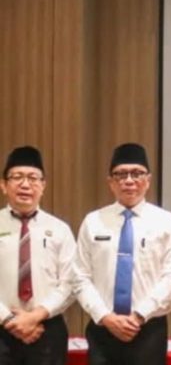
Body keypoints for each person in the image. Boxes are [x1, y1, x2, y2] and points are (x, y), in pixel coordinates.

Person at [74, 143, 171, 365]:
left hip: (149, 329)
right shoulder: (93, 221)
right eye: (121, 174)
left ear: (148, 180)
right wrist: (106, 317)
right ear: (110, 182)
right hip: (103, 327)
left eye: (137, 173)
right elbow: (79, 277)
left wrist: (139, 315)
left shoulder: (166, 220)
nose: (129, 180)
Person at [0, 146, 76, 365]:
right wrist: (9, 320)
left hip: (47, 329)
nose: (25, 184)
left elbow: (70, 282)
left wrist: (35, 316)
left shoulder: (60, 229)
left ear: (43, 186)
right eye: (17, 177)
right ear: (4, 185)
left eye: (33, 178)